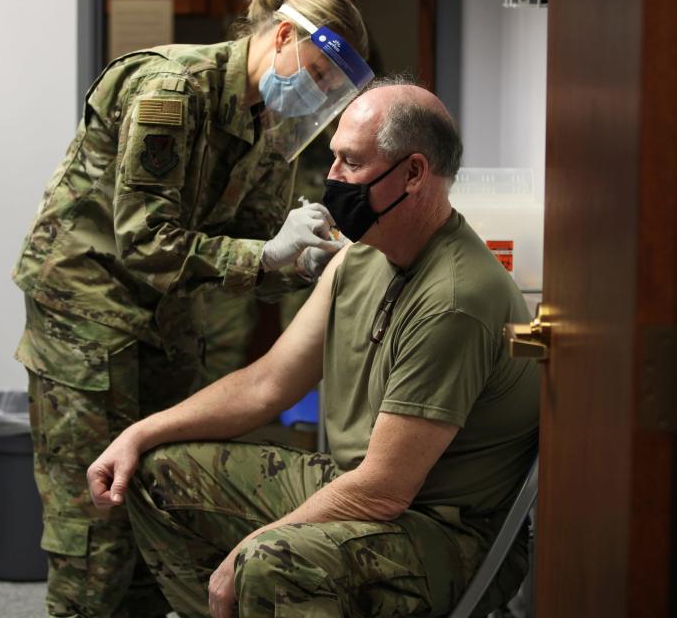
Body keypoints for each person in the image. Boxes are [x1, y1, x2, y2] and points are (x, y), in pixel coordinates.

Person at [87, 79, 541, 617]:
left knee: (269, 561)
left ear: (414, 173)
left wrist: (242, 553)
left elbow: (384, 491)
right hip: (357, 487)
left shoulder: (455, 299)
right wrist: (138, 433)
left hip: (438, 531)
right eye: (333, 159)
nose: (332, 180)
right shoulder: (362, 258)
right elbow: (267, 383)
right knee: (155, 474)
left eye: (351, 162)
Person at [12, 0, 373, 617]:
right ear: (283, 37)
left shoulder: (271, 123)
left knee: (158, 503)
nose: (314, 95)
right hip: (87, 316)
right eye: (316, 75)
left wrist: (302, 261)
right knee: (96, 526)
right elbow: (147, 242)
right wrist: (265, 257)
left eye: (329, 88)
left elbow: (254, 244)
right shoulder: (172, 89)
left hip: (169, 319)